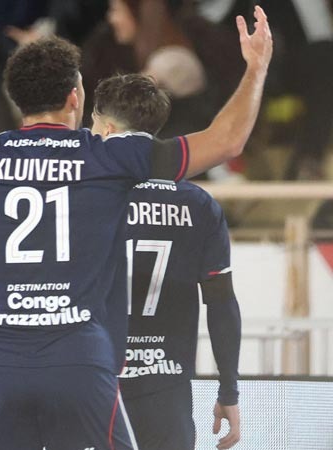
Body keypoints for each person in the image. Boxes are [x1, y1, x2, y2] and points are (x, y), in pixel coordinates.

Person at [0, 5, 271, 449]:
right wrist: (255, 69)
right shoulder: (108, 155)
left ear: (17, 100)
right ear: (75, 96)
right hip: (79, 359)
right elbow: (226, 141)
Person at [91, 73, 242, 450]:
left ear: (107, 128)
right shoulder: (199, 204)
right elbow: (221, 302)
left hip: (96, 381)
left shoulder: (83, 198)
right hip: (166, 389)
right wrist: (228, 390)